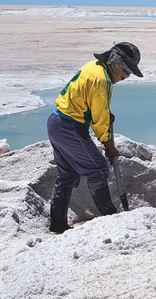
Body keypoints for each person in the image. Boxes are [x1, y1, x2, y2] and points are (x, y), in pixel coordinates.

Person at [45, 41, 143, 234]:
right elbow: (99, 120)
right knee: (97, 168)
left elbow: (92, 103)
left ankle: (58, 226)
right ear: (115, 62)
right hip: (69, 126)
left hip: (56, 122)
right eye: (126, 70)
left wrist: (105, 112)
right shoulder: (103, 80)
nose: (126, 76)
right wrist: (109, 146)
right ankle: (111, 220)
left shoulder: (94, 67)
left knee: (67, 175)